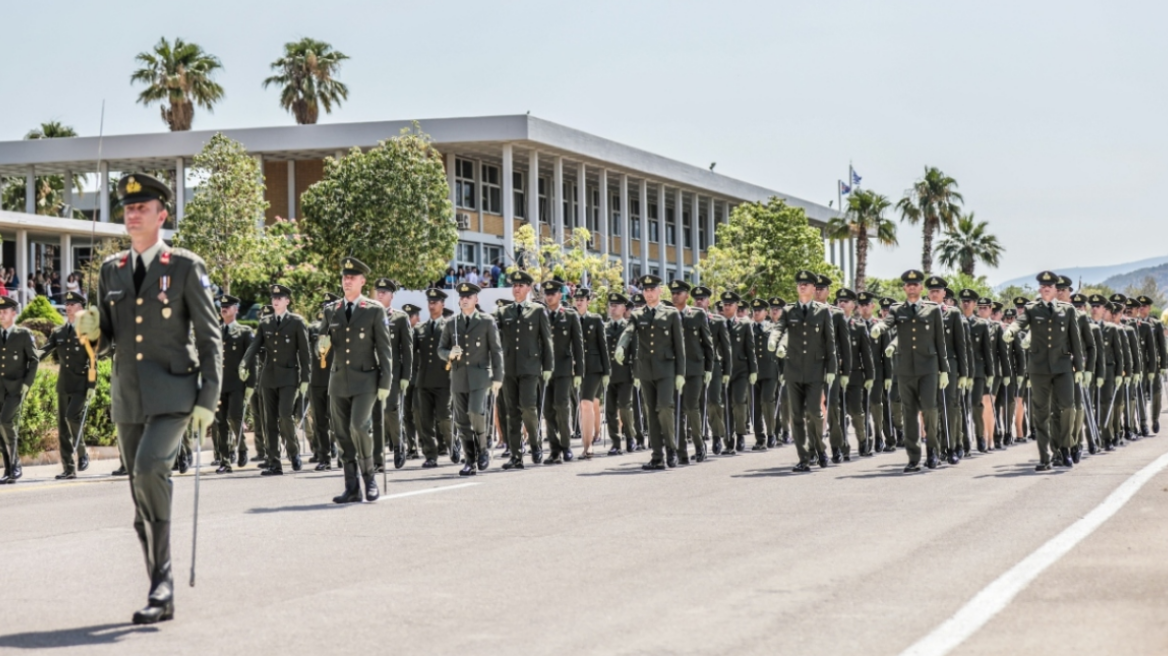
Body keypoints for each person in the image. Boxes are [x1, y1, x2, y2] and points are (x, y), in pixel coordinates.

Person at [74, 172, 221, 624]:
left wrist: (208, 399)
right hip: (129, 397)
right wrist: (92, 332)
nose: (133, 214)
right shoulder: (111, 270)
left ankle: (163, 582)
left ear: (162, 214)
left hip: (176, 393)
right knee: (140, 491)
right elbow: (110, 341)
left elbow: (210, 335)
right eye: (128, 208)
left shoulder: (184, 266)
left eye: (142, 207)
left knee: (150, 467)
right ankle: (161, 586)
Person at [316, 257, 392, 502]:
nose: (346, 281)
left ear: (362, 281)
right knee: (342, 434)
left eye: (352, 277)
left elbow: (384, 349)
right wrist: (322, 345)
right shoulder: (332, 310)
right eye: (344, 277)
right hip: (339, 381)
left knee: (359, 426)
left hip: (366, 380)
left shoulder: (373, 309)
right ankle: (351, 487)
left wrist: (385, 382)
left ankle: (370, 479)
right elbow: (322, 340)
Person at [1002, 271, 1085, 470]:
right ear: (1040, 289)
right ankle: (1045, 457)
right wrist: (1012, 329)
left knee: (1066, 408)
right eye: (1043, 286)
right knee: (1041, 413)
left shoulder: (1068, 310)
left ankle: (1064, 448)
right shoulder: (1031, 309)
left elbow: (1075, 340)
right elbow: (1020, 321)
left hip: (1063, 367)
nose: (1046, 289)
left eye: (1050, 286)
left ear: (1056, 290)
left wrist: (1080, 367)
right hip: (1039, 368)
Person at [870, 270, 950, 472]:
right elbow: (888, 322)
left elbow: (940, 341)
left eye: (915, 284)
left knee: (930, 410)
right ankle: (913, 457)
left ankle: (933, 451)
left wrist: (944, 370)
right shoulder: (897, 310)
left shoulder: (932, 310)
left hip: (929, 368)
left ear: (921, 288)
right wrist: (880, 326)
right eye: (908, 284)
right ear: (905, 288)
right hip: (905, 369)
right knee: (909, 412)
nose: (912, 287)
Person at [615, 274, 686, 470]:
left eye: (651, 289)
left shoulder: (671, 314)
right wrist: (621, 346)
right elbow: (628, 331)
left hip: (666, 369)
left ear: (659, 290)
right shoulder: (638, 315)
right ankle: (657, 455)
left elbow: (679, 346)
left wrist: (681, 373)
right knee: (651, 414)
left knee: (665, 408)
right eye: (645, 290)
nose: (648, 293)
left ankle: (671, 448)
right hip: (645, 370)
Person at [241, 284, 311, 475]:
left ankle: (293, 451)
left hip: (289, 376)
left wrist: (305, 378)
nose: (276, 300)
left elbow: (305, 353)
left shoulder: (297, 322)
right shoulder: (265, 323)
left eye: (280, 298)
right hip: (268, 378)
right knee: (268, 421)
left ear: (287, 301)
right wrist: (245, 363)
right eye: (273, 297)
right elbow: (255, 346)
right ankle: (273, 462)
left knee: (285, 416)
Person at [770, 271, 836, 471]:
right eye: (800, 284)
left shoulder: (823, 311)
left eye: (806, 284)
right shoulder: (789, 311)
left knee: (814, 414)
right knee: (796, 416)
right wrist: (773, 340)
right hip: (793, 370)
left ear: (813, 288)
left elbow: (829, 342)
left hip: (815, 371)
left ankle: (820, 449)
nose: (802, 286)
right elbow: (779, 327)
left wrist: (831, 369)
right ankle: (804, 458)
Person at [439, 282, 503, 476]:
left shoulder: (486, 321)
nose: (464, 299)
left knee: (476, 412)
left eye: (468, 297)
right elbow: (441, 349)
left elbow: (496, 350)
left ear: (476, 299)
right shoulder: (452, 323)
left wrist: (498, 377)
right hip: (459, 377)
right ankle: (469, 460)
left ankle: (482, 448)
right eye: (462, 297)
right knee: (461, 421)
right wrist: (450, 353)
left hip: (480, 376)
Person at [496, 271, 554, 469]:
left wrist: (548, 367)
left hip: (530, 368)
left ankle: (535, 443)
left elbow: (547, 341)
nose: (517, 288)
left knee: (529, 407)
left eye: (521, 285)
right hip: (509, 368)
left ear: (529, 288)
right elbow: (494, 338)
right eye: (514, 285)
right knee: (511, 412)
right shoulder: (504, 312)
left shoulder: (538, 310)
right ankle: (515, 455)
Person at [39, 291, 95, 479]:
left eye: (73, 304)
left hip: (81, 384)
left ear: (81, 308)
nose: (68, 306)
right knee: (63, 428)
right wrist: (27, 356)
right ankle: (69, 469)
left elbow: (94, 360)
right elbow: (44, 351)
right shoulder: (59, 332)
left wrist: (91, 385)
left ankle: (83, 453)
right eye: (67, 304)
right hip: (64, 384)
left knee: (72, 416)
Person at [371, 278, 413, 472]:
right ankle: (378, 458)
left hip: (393, 373)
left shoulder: (400, 318)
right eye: (378, 292)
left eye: (384, 292)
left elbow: (407, 349)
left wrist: (406, 375)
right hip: (371, 373)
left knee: (390, 410)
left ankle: (398, 444)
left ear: (391, 296)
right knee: (375, 415)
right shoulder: (368, 316)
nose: (380, 295)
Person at [542, 279, 583, 463]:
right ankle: (554, 449)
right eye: (547, 293)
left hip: (564, 368)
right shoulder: (539, 314)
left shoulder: (570, 315)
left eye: (552, 293)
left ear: (560, 295)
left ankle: (566, 446)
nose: (549, 296)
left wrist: (579, 372)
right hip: (544, 370)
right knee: (547, 410)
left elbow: (578, 345)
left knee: (562, 406)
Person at [0, 296, 40, 483]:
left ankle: (16, 465)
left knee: (5, 421)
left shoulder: (23, 334)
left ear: (13, 313)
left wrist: (26, 384)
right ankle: (8, 469)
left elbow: (34, 360)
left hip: (16, 388)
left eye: (4, 311)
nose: (1, 314)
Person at [414, 288, 456, 467]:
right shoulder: (419, 328)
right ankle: (430, 455)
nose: (432, 305)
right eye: (430, 302)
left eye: (435, 302)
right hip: (424, 380)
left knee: (444, 417)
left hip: (444, 379)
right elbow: (412, 352)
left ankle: (453, 446)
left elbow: (456, 350)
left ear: (442, 304)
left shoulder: (449, 326)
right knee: (425, 420)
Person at [213, 294, 254, 474]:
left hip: (237, 383)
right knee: (220, 422)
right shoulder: (215, 331)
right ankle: (225, 460)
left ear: (236, 309)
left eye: (228, 306)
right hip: (219, 385)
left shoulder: (244, 332)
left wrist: (251, 384)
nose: (224, 309)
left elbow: (252, 359)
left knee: (234, 417)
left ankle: (242, 447)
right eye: (222, 306)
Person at [573, 287, 610, 459]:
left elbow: (603, 346)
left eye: (582, 299)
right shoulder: (570, 318)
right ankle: (586, 440)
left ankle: (588, 446)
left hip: (593, 367)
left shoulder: (595, 319)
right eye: (577, 299)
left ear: (588, 301)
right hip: (574, 369)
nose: (579, 301)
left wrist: (606, 371)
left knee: (586, 404)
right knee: (580, 406)